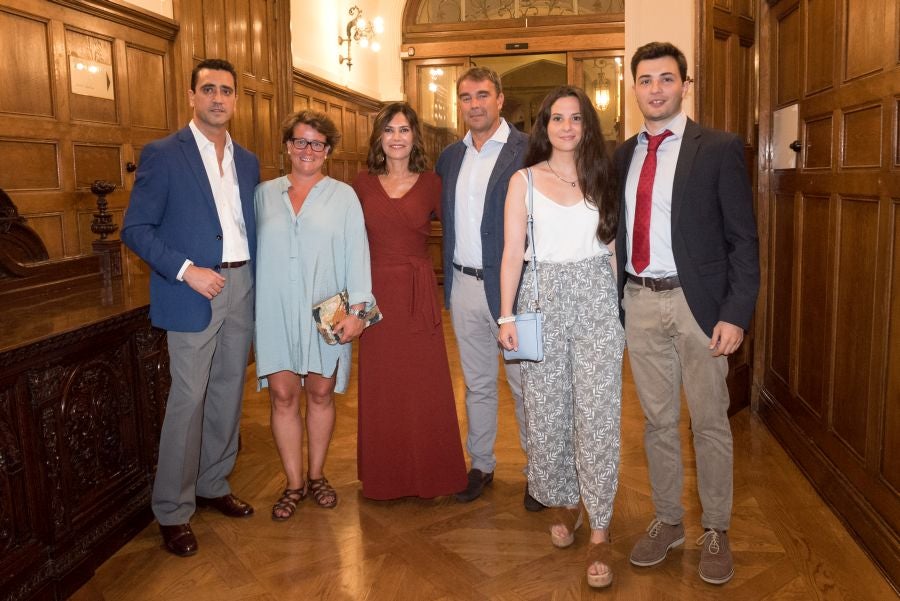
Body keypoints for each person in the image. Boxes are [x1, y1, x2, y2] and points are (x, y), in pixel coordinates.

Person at [614, 42, 759, 585]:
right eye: (646, 80)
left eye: (666, 79)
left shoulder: (718, 148)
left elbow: (744, 240)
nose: (655, 89)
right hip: (639, 302)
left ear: (685, 85)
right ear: (634, 88)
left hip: (700, 307)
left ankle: (716, 528)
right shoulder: (622, 156)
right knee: (656, 423)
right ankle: (669, 520)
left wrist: (736, 313)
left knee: (710, 422)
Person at [121, 58, 259, 557]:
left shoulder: (248, 161)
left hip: (242, 284)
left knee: (228, 391)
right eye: (209, 89)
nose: (218, 98)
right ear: (191, 96)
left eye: (226, 90)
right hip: (193, 289)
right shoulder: (163, 153)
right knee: (188, 399)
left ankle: (213, 483)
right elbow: (135, 229)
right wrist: (186, 270)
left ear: (236, 99)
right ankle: (173, 510)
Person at [498, 86, 624, 588]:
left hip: (595, 299)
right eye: (557, 118)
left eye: (575, 118)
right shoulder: (524, 180)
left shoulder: (603, 176)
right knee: (548, 411)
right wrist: (506, 316)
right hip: (541, 299)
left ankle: (601, 527)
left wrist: (618, 314)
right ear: (544, 126)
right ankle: (568, 501)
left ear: (586, 125)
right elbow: (513, 251)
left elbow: (611, 249)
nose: (566, 126)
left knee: (597, 413)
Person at [254, 110, 375, 519]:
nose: (308, 149)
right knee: (283, 395)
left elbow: (358, 255)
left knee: (321, 393)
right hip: (274, 309)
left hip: (328, 311)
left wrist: (359, 312)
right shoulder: (263, 195)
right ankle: (294, 483)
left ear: (328, 150)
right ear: (287, 146)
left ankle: (318, 474)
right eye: (300, 141)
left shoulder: (344, 196)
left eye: (317, 143)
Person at [435, 67, 543, 510]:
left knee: (525, 385)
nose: (474, 104)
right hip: (463, 285)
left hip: (515, 290)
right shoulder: (450, 158)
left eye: (483, 95)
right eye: (466, 97)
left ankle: (539, 473)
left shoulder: (530, 150)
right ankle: (481, 464)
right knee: (478, 383)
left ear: (500, 99)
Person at [351, 103, 468, 500]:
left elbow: (461, 230)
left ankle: (432, 476)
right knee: (383, 385)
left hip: (418, 297)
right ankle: (385, 478)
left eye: (403, 129)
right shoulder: (361, 184)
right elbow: (345, 241)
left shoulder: (433, 183)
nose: (397, 137)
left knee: (424, 386)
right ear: (379, 137)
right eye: (389, 130)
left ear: (414, 136)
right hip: (375, 295)